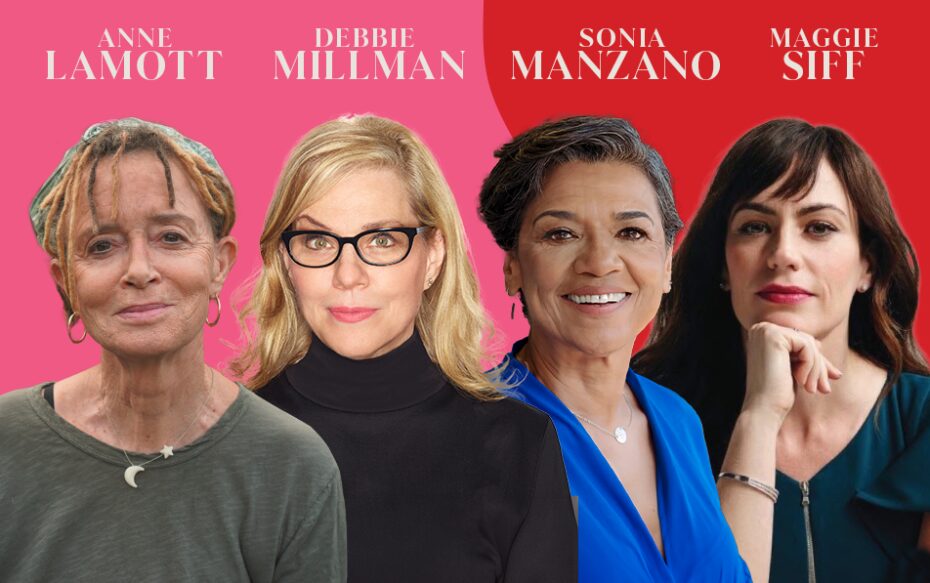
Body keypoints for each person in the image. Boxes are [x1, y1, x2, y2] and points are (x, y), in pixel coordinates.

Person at [234, 114, 577, 582]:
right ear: (285, 260)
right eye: (317, 240)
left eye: (380, 240)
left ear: (432, 255)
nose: (348, 275)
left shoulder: (520, 445)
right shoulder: (224, 448)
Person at [1, 118, 347, 582]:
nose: (140, 270)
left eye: (171, 237)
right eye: (102, 245)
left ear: (218, 265)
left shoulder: (293, 466)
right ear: (67, 284)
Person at [634, 118, 930, 582]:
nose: (783, 253)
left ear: (867, 267)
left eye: (819, 227)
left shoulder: (923, 421)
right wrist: (759, 416)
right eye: (754, 227)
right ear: (723, 265)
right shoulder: (649, 419)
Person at [478, 115, 750, 582]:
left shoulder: (678, 418)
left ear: (666, 264)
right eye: (560, 234)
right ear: (513, 268)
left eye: (631, 233)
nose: (600, 263)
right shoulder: (473, 435)